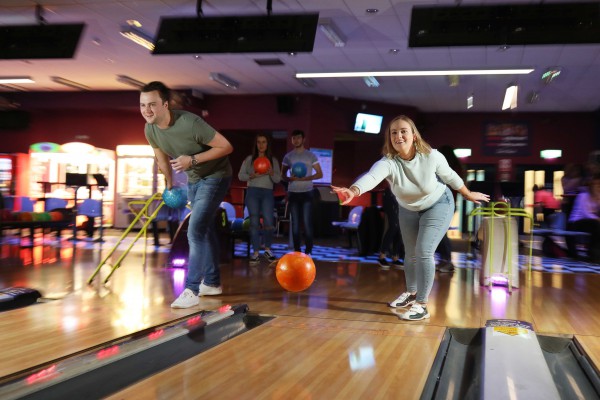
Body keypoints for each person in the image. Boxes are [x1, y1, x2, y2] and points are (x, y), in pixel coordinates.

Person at [332, 115, 489, 321]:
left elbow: (450, 176)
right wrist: (353, 190)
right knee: (410, 253)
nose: (399, 135)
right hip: (408, 209)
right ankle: (411, 293)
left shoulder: (431, 156)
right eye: (394, 132)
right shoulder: (388, 162)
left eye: (403, 131)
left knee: (424, 251)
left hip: (438, 204)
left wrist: (468, 194)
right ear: (390, 138)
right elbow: (372, 177)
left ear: (414, 135)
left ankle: (422, 305)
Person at [140, 81, 233, 308]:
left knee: (195, 229)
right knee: (205, 227)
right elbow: (161, 157)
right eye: (142, 105)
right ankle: (211, 283)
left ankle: (191, 289)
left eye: (152, 104)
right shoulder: (149, 129)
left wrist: (191, 160)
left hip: (216, 176)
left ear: (165, 104)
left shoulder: (191, 123)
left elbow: (226, 147)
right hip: (194, 180)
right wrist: (169, 183)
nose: (147, 110)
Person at [238, 133, 282, 264]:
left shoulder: (273, 160)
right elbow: (241, 176)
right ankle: (256, 252)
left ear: (267, 144)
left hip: (267, 193)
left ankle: (268, 249)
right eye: (259, 142)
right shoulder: (249, 159)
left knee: (269, 222)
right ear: (256, 144)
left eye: (264, 142)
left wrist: (271, 173)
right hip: (253, 192)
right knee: (254, 223)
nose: (261, 145)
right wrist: (251, 176)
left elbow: (278, 179)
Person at [281, 130, 323, 255]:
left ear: (303, 139)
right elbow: (282, 175)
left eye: (299, 138)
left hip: (307, 193)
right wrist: (289, 178)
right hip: (293, 193)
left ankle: (308, 251)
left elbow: (320, 174)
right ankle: (297, 251)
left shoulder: (311, 156)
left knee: (307, 221)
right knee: (295, 224)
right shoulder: (288, 156)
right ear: (292, 140)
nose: (296, 140)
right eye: (294, 138)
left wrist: (307, 178)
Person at [435, 145, 466, 273]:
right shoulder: (455, 168)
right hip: (448, 203)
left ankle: (447, 261)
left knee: (440, 233)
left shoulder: (448, 170)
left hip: (445, 204)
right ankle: (444, 260)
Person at [566, 173, 600, 263]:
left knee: (596, 225)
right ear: (591, 185)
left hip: (590, 223)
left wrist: (597, 198)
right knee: (596, 224)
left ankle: (595, 253)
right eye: (596, 185)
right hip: (575, 222)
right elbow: (585, 213)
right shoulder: (583, 196)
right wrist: (597, 219)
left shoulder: (598, 197)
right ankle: (593, 253)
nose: (597, 187)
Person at [377, 185, 405, 270]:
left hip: (401, 196)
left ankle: (395, 257)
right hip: (391, 194)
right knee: (393, 227)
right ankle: (382, 256)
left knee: (401, 230)